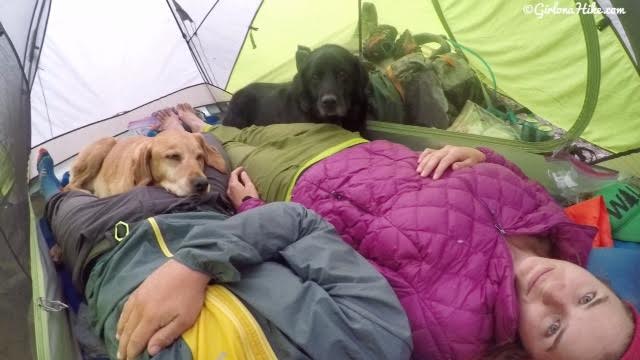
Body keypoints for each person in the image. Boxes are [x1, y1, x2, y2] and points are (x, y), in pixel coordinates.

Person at [137, 104, 639, 360]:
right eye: (589, 298)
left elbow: (326, 268)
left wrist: (252, 207)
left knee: (220, 143)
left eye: (553, 329)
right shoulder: (555, 225)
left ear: (529, 351)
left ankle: (190, 124)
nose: (555, 293)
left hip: (299, 182)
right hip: (346, 144)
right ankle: (204, 120)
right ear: (603, 284)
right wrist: (481, 156)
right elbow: (512, 176)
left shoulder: (445, 325)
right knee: (250, 125)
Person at [37, 124, 413, 360]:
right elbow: (299, 221)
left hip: (106, 243)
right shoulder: (380, 341)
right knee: (210, 148)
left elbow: (92, 329)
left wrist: (98, 298)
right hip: (202, 216)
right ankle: (172, 130)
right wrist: (195, 262)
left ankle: (49, 181)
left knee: (62, 201)